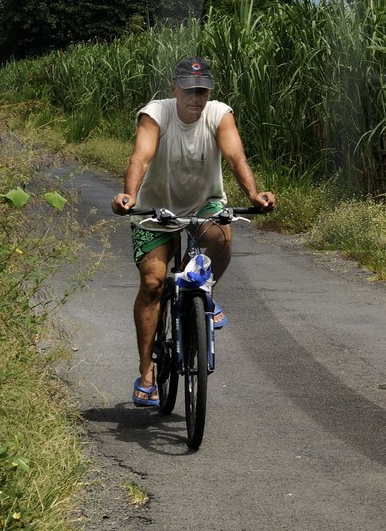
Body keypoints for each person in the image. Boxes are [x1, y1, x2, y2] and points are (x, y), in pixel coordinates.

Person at [110, 57, 276, 407]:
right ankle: (146, 373)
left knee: (221, 235)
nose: (195, 98)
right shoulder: (156, 113)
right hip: (154, 209)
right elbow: (140, 157)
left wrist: (252, 194)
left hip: (204, 203)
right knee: (153, 283)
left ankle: (203, 291)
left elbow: (236, 157)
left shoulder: (219, 114)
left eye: (202, 91)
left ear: (209, 92)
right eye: (188, 90)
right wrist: (128, 193)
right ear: (175, 89)